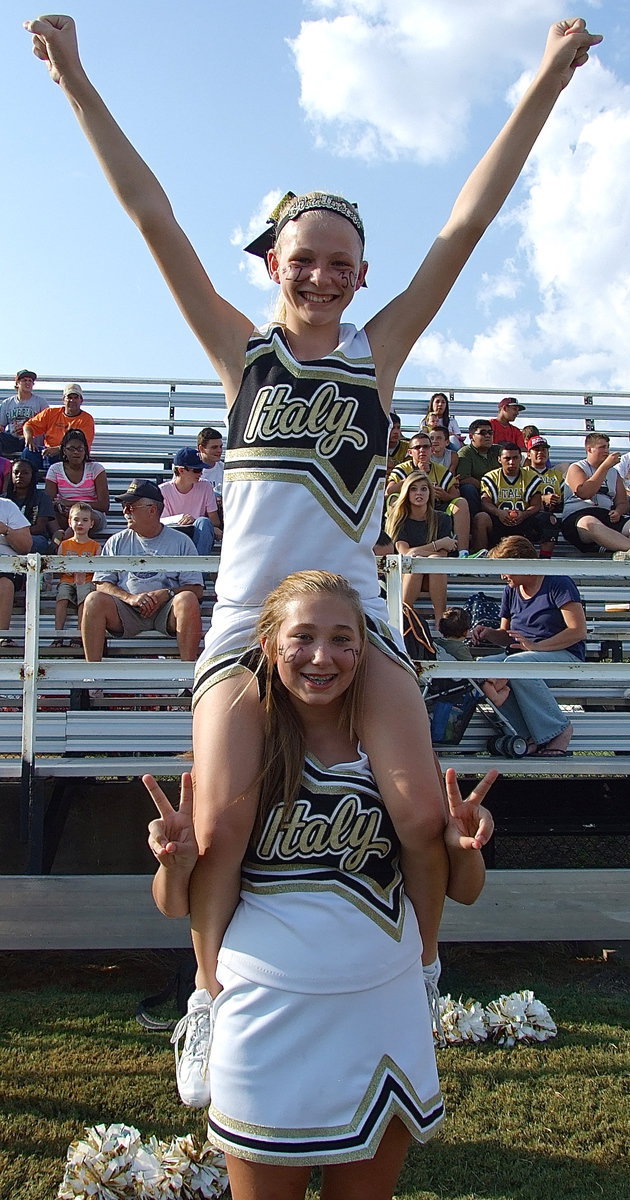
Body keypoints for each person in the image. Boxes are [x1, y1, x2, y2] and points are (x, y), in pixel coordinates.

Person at [26, 10, 602, 1111]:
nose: (327, 278)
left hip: (356, 626)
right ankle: (207, 993)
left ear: (362, 271)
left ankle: (418, 978)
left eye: (345, 264)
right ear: (277, 264)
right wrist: (78, 86)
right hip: (249, 627)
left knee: (421, 815)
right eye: (308, 261)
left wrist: (544, 80)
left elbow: (467, 226)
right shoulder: (241, 358)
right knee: (224, 823)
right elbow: (152, 221)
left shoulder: (380, 360)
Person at [143, 570, 495, 1199]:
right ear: (270, 644)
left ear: (365, 650)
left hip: (381, 1008)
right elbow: (175, 907)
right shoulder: (247, 753)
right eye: (302, 638)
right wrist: (174, 863)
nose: (322, 657)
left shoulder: (387, 757)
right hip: (264, 1012)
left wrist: (461, 847)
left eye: (343, 639)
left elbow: (465, 891)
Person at [469, 536, 586, 755]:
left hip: (564, 656)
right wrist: (488, 633)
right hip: (523, 656)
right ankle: (526, 734)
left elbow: (577, 631)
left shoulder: (558, 582)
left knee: (517, 664)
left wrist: (536, 647)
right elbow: (507, 635)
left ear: (521, 562)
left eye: (506, 570)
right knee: (480, 667)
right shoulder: (511, 589)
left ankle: (559, 729)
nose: (502, 576)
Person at [82, 480, 203, 662]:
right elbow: (101, 583)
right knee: (93, 600)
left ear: (152, 510)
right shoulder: (116, 541)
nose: (124, 512)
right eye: (124, 506)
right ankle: (91, 680)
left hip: (167, 611)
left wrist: (166, 594)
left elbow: (196, 589)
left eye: (130, 507)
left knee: (188, 599)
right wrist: (129, 598)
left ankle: (187, 678)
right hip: (126, 610)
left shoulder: (181, 541)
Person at [386, 472, 456, 624]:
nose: (419, 493)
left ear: (430, 493)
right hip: (406, 574)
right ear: (406, 493)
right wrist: (438, 544)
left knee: (435, 560)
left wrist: (422, 552)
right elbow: (405, 553)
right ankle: (403, 616)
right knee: (417, 562)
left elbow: (442, 556)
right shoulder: (399, 520)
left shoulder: (442, 518)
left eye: (424, 489)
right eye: (413, 489)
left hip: (434, 575)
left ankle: (440, 619)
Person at [387, 432, 471, 553]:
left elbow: (455, 494)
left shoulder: (440, 469)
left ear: (432, 450)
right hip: (409, 509)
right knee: (394, 498)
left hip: (436, 507)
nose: (422, 450)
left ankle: (463, 553)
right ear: (410, 452)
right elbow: (388, 491)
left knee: (461, 503)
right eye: (417, 447)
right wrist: (414, 476)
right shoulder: (402, 469)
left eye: (426, 447)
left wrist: (444, 495)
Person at [561, 433, 630, 556]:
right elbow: (585, 493)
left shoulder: (614, 473)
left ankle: (620, 549)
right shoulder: (576, 467)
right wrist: (604, 467)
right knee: (589, 523)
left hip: (606, 515)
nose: (607, 451)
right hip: (578, 517)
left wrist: (619, 511)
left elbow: (622, 502)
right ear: (589, 449)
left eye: (608, 447)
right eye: (602, 447)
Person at [475, 442, 542, 550]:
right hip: (498, 521)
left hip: (523, 521)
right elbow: (485, 502)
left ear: (521, 458)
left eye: (515, 458)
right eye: (507, 458)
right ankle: (481, 556)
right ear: (499, 459)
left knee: (548, 519)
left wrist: (523, 514)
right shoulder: (491, 477)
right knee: (481, 518)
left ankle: (544, 558)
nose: (511, 462)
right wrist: (499, 512)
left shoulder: (532, 477)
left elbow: (536, 504)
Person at [52, 501, 100, 647]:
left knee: (84, 599)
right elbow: (58, 567)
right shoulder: (64, 545)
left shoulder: (95, 546)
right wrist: (70, 571)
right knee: (62, 598)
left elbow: (98, 567)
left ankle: (79, 634)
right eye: (76, 519)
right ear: (69, 522)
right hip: (68, 579)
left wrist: (83, 572)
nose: (80, 523)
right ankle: (58, 635)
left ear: (91, 524)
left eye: (85, 520)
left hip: (86, 579)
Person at [44, 428, 109, 537]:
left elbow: (104, 505)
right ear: (64, 450)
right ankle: (59, 535)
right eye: (71, 449)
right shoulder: (55, 469)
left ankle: (61, 543)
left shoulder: (96, 469)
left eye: (80, 449)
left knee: (82, 516)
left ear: (85, 450)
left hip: (92, 514)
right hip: (64, 514)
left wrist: (72, 504)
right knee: (47, 514)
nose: (76, 452)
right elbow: (48, 502)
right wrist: (63, 508)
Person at [159, 447, 222, 555]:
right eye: (197, 470)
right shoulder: (163, 490)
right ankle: (197, 570)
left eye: (201, 469)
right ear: (181, 470)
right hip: (174, 535)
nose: (201, 473)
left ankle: (196, 570)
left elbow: (215, 522)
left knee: (204, 522)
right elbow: (161, 523)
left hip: (198, 534)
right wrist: (182, 518)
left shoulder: (206, 486)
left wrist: (196, 521)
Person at [22, 382, 95, 468]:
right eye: (69, 397)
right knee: (28, 452)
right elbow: (28, 425)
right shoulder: (50, 413)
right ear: (63, 399)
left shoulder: (86, 419)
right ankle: (33, 480)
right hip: (48, 452)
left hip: (70, 454)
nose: (72, 400)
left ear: (81, 401)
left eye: (76, 397)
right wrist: (29, 438)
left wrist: (58, 449)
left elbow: (82, 444)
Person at [525, 435, 565, 557]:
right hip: (529, 515)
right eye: (536, 449)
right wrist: (542, 499)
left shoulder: (557, 475)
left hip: (553, 515)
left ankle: (545, 558)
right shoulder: (522, 473)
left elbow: (565, 497)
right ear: (528, 454)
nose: (541, 452)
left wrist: (556, 501)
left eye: (544, 449)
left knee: (551, 519)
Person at [0, 495, 32, 644]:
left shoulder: (7, 506)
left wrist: (6, 530)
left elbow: (26, 546)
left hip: (8, 566)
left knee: (5, 584)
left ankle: (2, 636)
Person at [6, 458, 55, 553]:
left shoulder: (42, 497)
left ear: (32, 475)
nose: (19, 475)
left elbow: (40, 527)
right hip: (6, 537)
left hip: (35, 537)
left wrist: (14, 534)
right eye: (16, 472)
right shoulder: (4, 499)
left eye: (25, 473)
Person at [455, 419, 501, 517]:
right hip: (478, 490)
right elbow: (463, 478)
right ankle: (474, 522)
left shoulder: (499, 450)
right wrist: (488, 488)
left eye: (490, 432)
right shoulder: (465, 453)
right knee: (468, 489)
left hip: (500, 489)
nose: (488, 436)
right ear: (471, 437)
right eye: (483, 433)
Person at [0, 369, 47, 457]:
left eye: (30, 381)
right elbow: (1, 425)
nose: (28, 383)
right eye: (24, 380)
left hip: (32, 441)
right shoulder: (7, 403)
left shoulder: (41, 402)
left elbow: (47, 424)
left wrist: (27, 429)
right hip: (13, 439)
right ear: (17, 383)